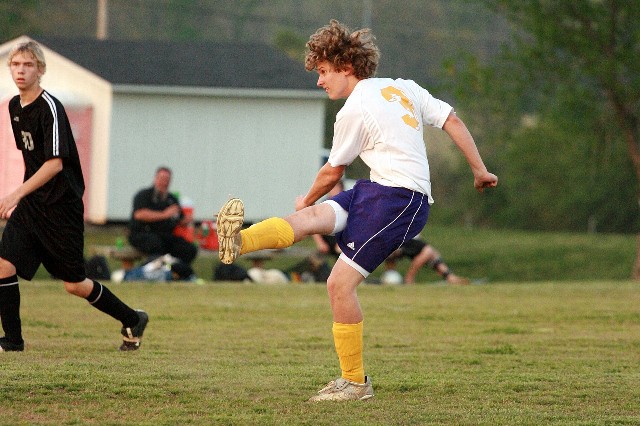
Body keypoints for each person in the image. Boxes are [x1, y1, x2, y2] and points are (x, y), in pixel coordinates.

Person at [216, 20, 497, 401]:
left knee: (338, 284)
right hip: (375, 191)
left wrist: (307, 198)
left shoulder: (354, 109)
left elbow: (332, 171)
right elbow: (452, 120)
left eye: (323, 71)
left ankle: (355, 383)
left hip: (398, 201)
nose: (319, 81)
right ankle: (237, 242)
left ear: (346, 67)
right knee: (309, 221)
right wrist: (480, 170)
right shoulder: (405, 87)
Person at [0, 41, 148, 352]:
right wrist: (23, 197)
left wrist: (15, 194)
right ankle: (13, 341)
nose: (21, 70)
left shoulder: (51, 108)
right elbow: (32, 161)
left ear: (41, 70)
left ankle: (133, 318)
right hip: (33, 205)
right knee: (3, 265)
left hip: (60, 208)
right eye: (16, 64)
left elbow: (55, 163)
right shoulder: (15, 107)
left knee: (74, 284)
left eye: (28, 65)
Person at [128, 167, 198, 265]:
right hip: (142, 234)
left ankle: (178, 271)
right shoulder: (144, 195)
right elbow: (139, 214)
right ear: (155, 178)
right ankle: (149, 270)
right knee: (156, 245)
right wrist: (165, 214)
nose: (164, 183)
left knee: (189, 249)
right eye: (162, 179)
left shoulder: (171, 199)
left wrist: (187, 220)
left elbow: (180, 219)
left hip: (165, 235)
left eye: (167, 180)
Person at [385, 237, 470, 285]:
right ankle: (407, 279)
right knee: (430, 253)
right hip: (406, 238)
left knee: (431, 255)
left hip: (410, 240)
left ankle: (450, 277)